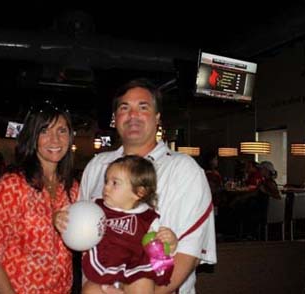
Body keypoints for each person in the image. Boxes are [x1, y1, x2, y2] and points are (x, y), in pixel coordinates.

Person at [79, 78, 217, 293]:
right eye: (125, 108)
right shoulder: (97, 166)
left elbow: (189, 254)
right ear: (115, 118)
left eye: (143, 107)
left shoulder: (185, 170)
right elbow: (83, 236)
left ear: (157, 118)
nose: (133, 115)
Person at [0, 104, 79, 293]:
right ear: (32, 137)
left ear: (70, 138)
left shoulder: (72, 188)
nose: (55, 139)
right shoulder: (11, 187)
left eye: (62, 130)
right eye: (44, 131)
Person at [82, 155, 177, 294]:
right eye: (106, 181)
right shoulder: (95, 208)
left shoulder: (148, 218)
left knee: (143, 286)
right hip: (104, 266)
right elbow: (77, 222)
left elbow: (157, 250)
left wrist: (171, 243)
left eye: (115, 183)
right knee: (90, 290)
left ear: (139, 192)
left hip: (137, 269)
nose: (106, 187)